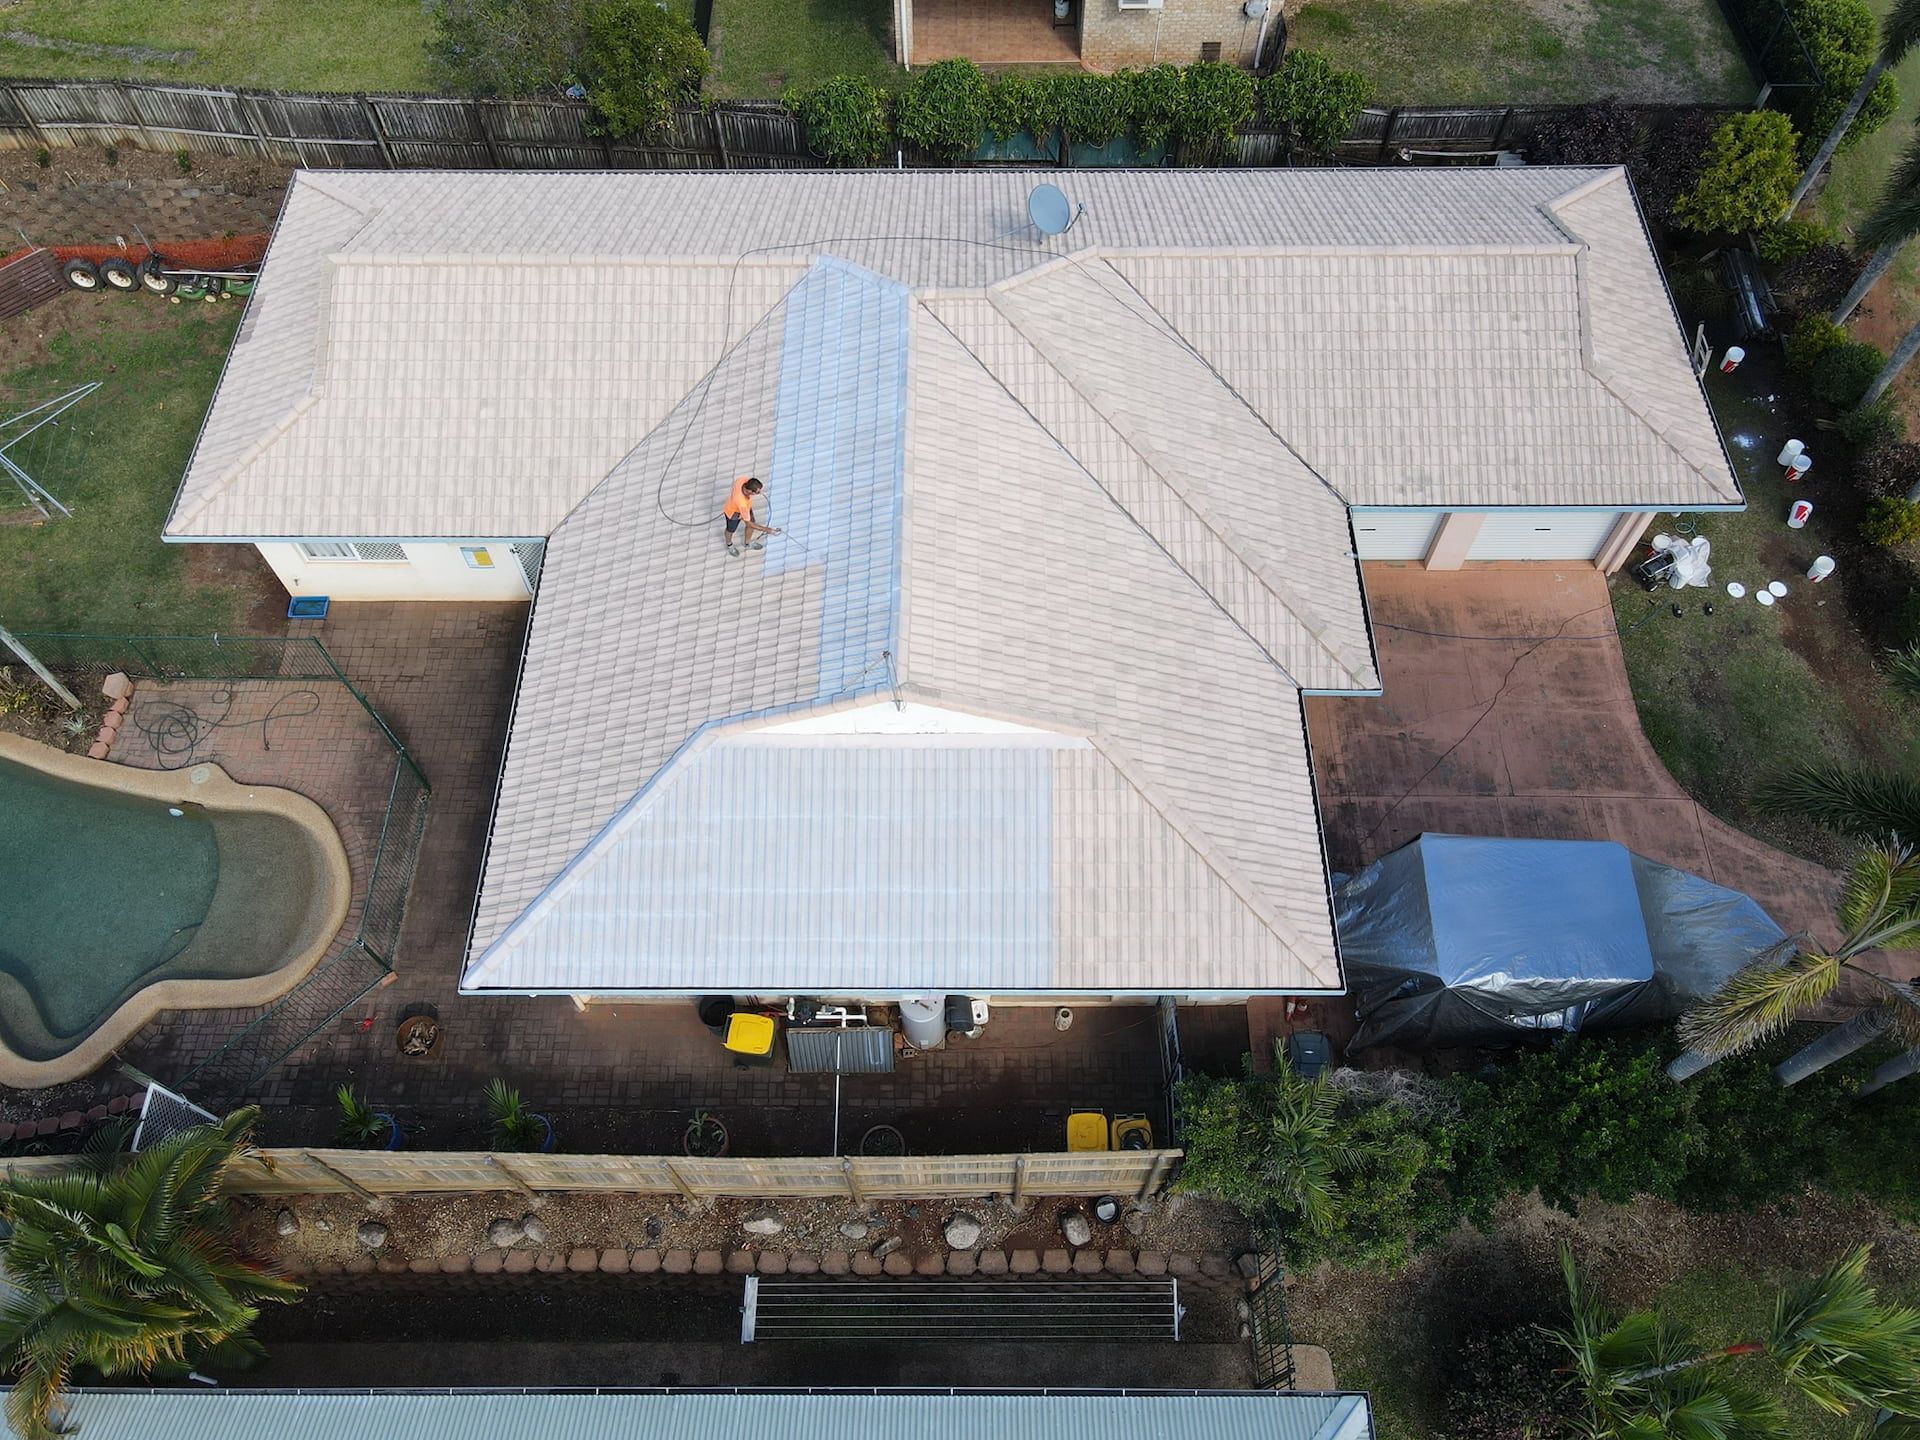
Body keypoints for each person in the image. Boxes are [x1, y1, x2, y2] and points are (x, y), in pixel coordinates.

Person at [722, 476, 777, 557]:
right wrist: (766, 529)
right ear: (749, 491)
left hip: (746, 507)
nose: (759, 493)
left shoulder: (742, 480)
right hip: (733, 512)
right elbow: (748, 524)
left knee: (752, 522)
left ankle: (747, 543)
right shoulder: (741, 502)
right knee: (730, 530)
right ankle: (729, 545)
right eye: (757, 492)